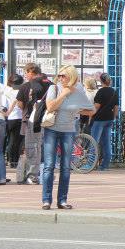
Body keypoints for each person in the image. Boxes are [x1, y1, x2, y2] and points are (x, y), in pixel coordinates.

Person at [40, 65, 94, 210]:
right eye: (60, 75)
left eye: (64, 75)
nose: (61, 78)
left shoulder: (78, 91)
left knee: (65, 167)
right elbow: (50, 107)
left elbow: (91, 110)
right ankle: (46, 200)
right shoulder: (54, 89)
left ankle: (62, 200)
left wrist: (77, 109)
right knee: (49, 166)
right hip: (51, 129)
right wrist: (63, 94)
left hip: (69, 131)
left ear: (72, 76)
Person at [11, 63, 51, 185]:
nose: (26, 76)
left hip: (32, 120)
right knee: (42, 147)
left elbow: (21, 104)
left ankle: (32, 174)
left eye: (26, 73)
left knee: (31, 147)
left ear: (30, 72)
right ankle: (44, 172)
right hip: (49, 120)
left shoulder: (26, 86)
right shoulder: (50, 85)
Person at [89, 73, 118, 171]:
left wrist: (90, 115)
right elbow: (116, 108)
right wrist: (113, 117)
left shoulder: (100, 92)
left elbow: (96, 106)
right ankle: (105, 165)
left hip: (99, 119)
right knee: (106, 142)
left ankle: (90, 164)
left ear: (101, 81)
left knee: (94, 141)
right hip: (109, 119)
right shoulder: (114, 92)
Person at [3, 74, 25, 168]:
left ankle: (10, 160)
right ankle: (15, 160)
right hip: (21, 117)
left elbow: (4, 106)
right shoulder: (22, 91)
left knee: (11, 140)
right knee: (18, 141)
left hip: (11, 118)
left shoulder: (7, 92)